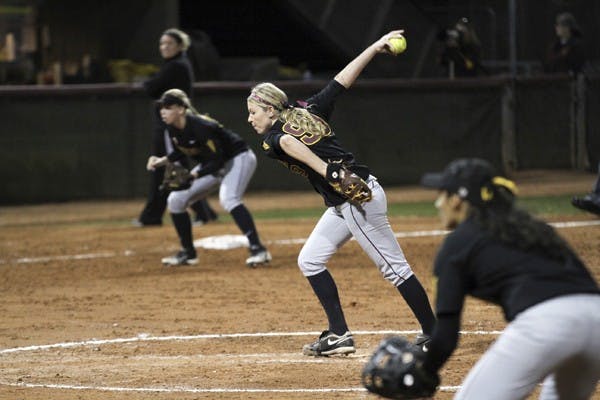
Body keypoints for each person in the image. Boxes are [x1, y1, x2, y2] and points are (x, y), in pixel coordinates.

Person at [246, 30, 436, 356]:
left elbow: (289, 143)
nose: (250, 119)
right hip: (346, 200)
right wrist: (374, 47)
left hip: (356, 201)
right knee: (310, 260)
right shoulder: (309, 110)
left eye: (253, 112)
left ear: (271, 110)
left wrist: (326, 170)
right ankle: (339, 335)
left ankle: (435, 334)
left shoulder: (274, 138)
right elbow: (342, 80)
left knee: (395, 269)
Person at [404, 158, 598, 399]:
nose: (437, 202)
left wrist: (423, 372)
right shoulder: (534, 229)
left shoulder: (457, 243)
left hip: (547, 324)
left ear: (457, 200)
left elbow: (445, 336)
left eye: (442, 195)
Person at [147, 89, 270, 267]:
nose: (162, 111)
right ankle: (188, 254)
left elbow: (218, 161)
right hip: (213, 163)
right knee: (176, 200)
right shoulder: (172, 128)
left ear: (181, 109)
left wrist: (193, 175)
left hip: (238, 158)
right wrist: (162, 161)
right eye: (161, 107)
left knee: (229, 199)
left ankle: (259, 250)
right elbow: (182, 150)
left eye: (168, 107)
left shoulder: (201, 126)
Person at [135, 27, 218, 227]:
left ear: (180, 46)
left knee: (169, 168)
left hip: (170, 125)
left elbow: (151, 88)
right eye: (162, 44)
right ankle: (203, 212)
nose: (164, 47)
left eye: (169, 43)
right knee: (173, 169)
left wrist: (148, 83)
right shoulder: (176, 65)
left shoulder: (176, 66)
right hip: (171, 124)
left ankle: (153, 216)